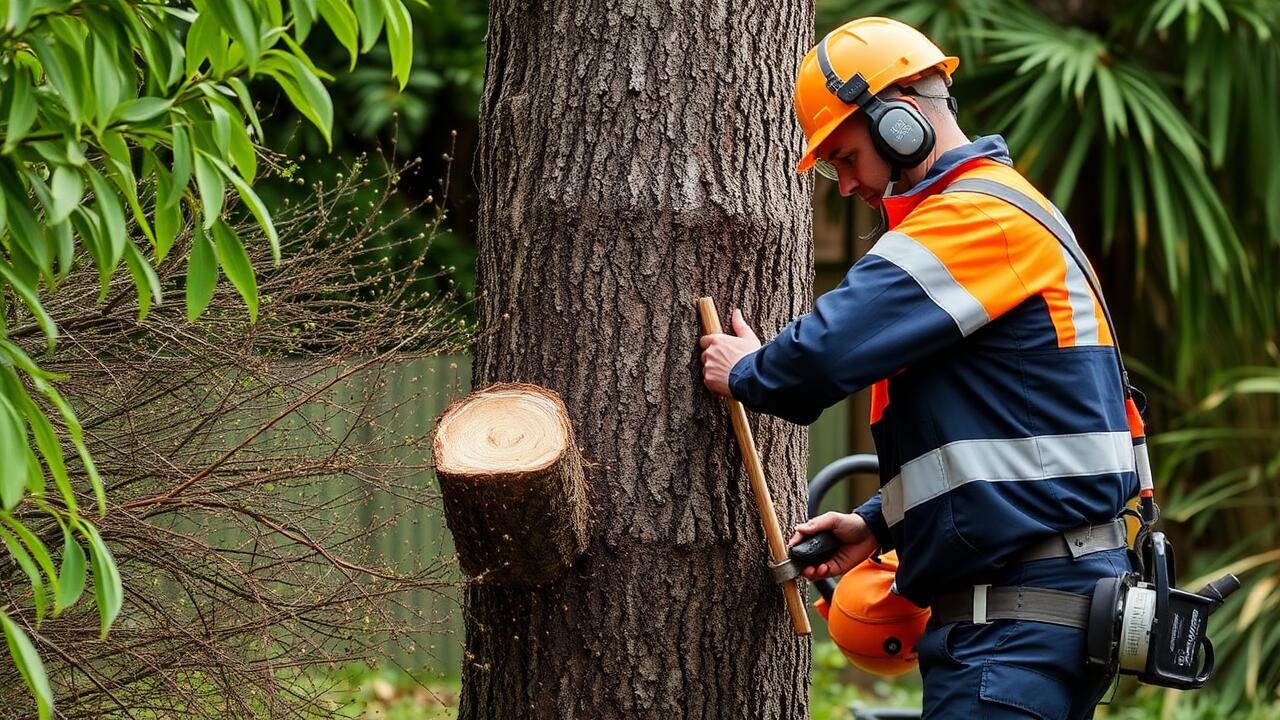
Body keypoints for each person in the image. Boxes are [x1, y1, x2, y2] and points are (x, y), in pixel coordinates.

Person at [699, 17, 1141, 720]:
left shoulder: (972, 220)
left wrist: (749, 368)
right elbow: (1007, 441)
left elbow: (821, 358)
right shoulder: (1001, 215)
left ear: (898, 122)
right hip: (1039, 612)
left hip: (1017, 628)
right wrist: (880, 524)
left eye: (844, 157)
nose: (844, 185)